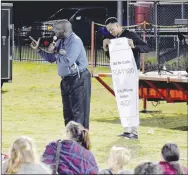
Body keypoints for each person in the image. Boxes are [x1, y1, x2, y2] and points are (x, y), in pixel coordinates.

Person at [29, 19, 91, 129]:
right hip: (66, 80)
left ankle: (81, 143)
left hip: (78, 78)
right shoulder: (60, 40)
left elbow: (68, 61)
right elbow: (51, 58)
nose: (54, 31)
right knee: (67, 113)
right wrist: (38, 50)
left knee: (79, 113)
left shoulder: (75, 41)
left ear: (64, 30)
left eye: (57, 30)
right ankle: (69, 140)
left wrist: (56, 51)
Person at [102, 17, 150, 139]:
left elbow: (146, 47)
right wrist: (106, 48)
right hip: (119, 73)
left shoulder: (131, 35)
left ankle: (134, 131)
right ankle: (126, 130)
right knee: (122, 99)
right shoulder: (113, 39)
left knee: (131, 99)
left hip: (131, 72)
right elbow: (111, 57)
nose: (111, 32)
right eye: (109, 31)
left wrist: (133, 45)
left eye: (112, 29)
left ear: (118, 26)